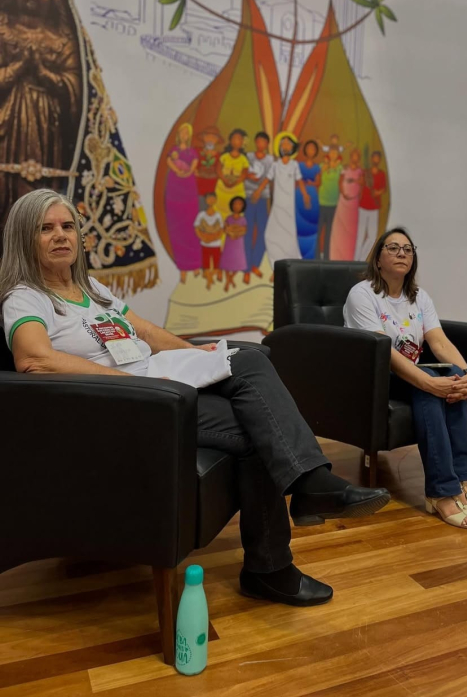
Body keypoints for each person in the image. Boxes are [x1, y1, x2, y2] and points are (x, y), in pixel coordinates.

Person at [0, 190, 390, 606]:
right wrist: (128, 383)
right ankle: (277, 557)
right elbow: (34, 359)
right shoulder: (25, 296)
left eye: (67, 226)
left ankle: (303, 502)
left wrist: (197, 354)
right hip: (120, 408)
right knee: (260, 427)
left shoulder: (91, 288)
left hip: (155, 389)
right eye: (46, 228)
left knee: (248, 362)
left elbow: (145, 331)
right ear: (25, 237)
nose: (61, 235)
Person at [344, 228, 467, 529]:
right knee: (430, 385)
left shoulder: (419, 297)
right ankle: (441, 492)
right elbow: (383, 351)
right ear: (378, 258)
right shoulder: (363, 294)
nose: (402, 253)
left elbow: (439, 342)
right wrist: (427, 381)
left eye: (408, 249)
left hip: (410, 374)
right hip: (374, 377)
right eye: (393, 248)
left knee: (453, 379)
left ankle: (461, 481)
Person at [0, 0, 82, 229]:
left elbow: (75, 86)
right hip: (6, 121)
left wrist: (44, 74)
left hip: (47, 129)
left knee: (40, 198)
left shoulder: (61, 39)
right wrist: (17, 69)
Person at [252, 132, 310, 275]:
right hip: (277, 206)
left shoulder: (294, 165)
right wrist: (258, 191)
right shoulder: (275, 165)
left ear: (292, 148)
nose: (285, 146)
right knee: (270, 235)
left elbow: (300, 181)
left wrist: (305, 195)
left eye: (288, 144)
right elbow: (267, 180)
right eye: (282, 143)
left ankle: (288, 267)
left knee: (288, 237)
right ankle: (275, 267)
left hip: (288, 208)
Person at [165, 123, 201, 284]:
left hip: (189, 191)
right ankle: (183, 267)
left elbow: (194, 164)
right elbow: (169, 161)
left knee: (191, 228)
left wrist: (188, 172)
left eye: (187, 132)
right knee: (177, 230)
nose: (185, 135)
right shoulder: (173, 151)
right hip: (175, 191)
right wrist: (177, 170)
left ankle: (195, 264)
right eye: (182, 132)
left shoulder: (191, 152)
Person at [244, 131, 273, 283]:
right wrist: (248, 176)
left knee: (263, 231)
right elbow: (243, 172)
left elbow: (268, 178)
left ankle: (255, 263)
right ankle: (246, 268)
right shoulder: (248, 157)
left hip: (262, 198)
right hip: (248, 197)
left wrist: (259, 191)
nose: (261, 144)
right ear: (256, 142)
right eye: (259, 141)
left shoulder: (270, 159)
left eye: (264, 142)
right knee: (247, 231)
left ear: (267, 144)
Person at [330, 147, 363, 261]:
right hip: (343, 202)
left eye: (357, 156)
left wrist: (358, 183)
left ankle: (349, 257)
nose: (355, 158)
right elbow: (340, 182)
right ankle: (336, 256)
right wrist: (344, 193)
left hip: (354, 203)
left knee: (351, 231)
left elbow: (362, 184)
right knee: (340, 228)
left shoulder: (360, 171)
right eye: (353, 155)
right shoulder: (345, 169)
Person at [354, 151, 387, 261]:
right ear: (372, 159)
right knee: (360, 236)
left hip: (374, 208)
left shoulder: (381, 174)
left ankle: (361, 259)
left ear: (379, 160)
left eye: (378, 158)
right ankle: (355, 260)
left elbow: (383, 188)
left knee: (372, 238)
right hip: (363, 206)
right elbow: (359, 182)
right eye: (374, 157)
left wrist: (378, 192)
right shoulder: (365, 172)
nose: (376, 160)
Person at [296, 140, 321, 259]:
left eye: (313, 148)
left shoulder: (317, 167)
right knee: (299, 226)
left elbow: (318, 182)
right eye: (309, 148)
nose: (311, 150)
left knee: (312, 226)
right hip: (300, 196)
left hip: (313, 196)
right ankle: (298, 254)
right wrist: (304, 194)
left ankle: (310, 256)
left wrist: (312, 183)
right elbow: (298, 180)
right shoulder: (299, 165)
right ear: (305, 150)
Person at [216, 129, 249, 220]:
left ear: (242, 142)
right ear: (230, 141)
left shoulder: (243, 159)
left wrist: (235, 182)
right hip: (222, 188)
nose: (236, 141)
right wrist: (224, 180)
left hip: (237, 189)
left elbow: (244, 174)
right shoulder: (224, 156)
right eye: (234, 138)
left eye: (239, 139)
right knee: (221, 211)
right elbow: (218, 170)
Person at [194, 192, 223, 289]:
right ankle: (209, 280)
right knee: (206, 264)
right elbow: (196, 228)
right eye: (209, 198)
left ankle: (209, 278)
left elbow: (221, 229)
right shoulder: (201, 215)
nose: (211, 200)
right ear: (206, 200)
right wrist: (203, 238)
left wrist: (213, 238)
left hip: (216, 244)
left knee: (216, 265)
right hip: (204, 244)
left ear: (216, 200)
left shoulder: (218, 215)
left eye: (213, 198)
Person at [317, 146, 342, 260]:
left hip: (334, 204)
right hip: (321, 203)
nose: (333, 154)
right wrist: (325, 168)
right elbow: (317, 180)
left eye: (335, 152)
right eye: (331, 152)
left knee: (329, 233)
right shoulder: (321, 166)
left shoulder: (340, 168)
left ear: (338, 155)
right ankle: (316, 256)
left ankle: (327, 256)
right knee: (318, 231)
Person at [220, 196, 248, 292]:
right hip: (229, 243)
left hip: (238, 243)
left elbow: (244, 230)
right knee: (227, 261)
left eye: (240, 204)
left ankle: (230, 279)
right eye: (235, 204)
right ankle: (228, 280)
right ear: (232, 205)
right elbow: (225, 229)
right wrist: (231, 233)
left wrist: (236, 234)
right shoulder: (228, 218)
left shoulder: (243, 219)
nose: (237, 206)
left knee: (238, 262)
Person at [195, 125, 223, 197]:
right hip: (197, 185)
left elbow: (220, 171)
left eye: (213, 137)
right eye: (208, 136)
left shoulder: (219, 156)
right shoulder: (197, 151)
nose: (210, 139)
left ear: (217, 140)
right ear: (203, 138)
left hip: (212, 187)